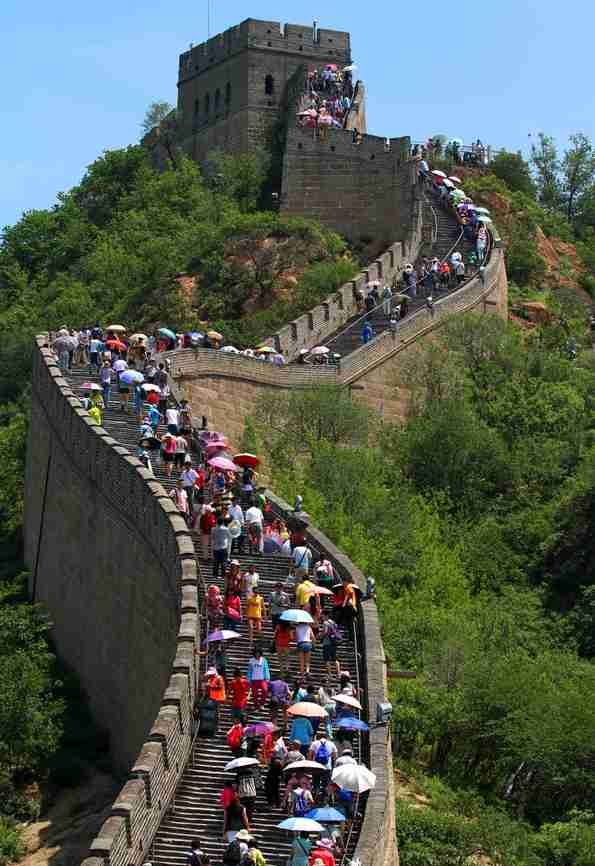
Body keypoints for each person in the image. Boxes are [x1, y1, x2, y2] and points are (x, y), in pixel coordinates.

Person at [320, 616, 341, 682]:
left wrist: (320, 635)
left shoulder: (325, 623)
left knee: (327, 660)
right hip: (334, 643)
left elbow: (325, 632)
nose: (321, 617)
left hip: (327, 643)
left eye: (322, 616)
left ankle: (330, 675)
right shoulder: (333, 623)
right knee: (335, 659)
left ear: (325, 616)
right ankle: (338, 674)